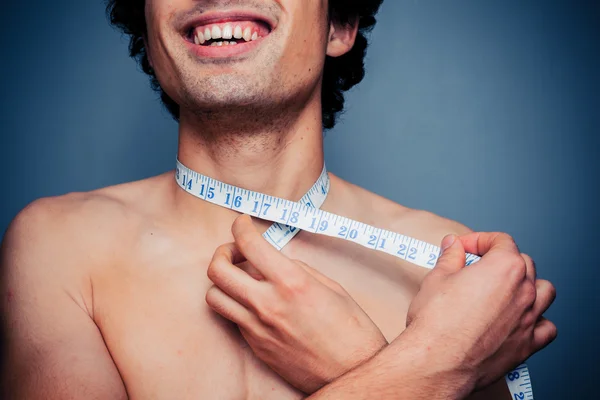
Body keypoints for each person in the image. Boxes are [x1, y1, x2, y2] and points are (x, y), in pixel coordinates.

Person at [0, 0, 556, 398]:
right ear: (148, 30)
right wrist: (428, 365)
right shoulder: (59, 243)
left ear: (339, 24)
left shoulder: (449, 265)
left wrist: (360, 369)